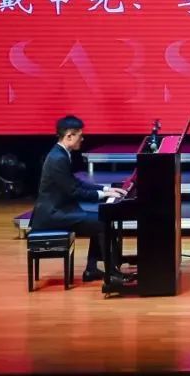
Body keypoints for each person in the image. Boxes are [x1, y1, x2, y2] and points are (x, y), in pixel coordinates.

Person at [29, 115, 127, 283]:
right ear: (69, 136)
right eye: (80, 135)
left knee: (100, 219)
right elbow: (73, 191)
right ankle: (112, 274)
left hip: (60, 210)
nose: (83, 139)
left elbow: (75, 182)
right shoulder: (58, 158)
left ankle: (91, 269)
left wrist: (106, 189)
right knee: (101, 223)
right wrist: (103, 195)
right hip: (53, 214)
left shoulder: (61, 153)